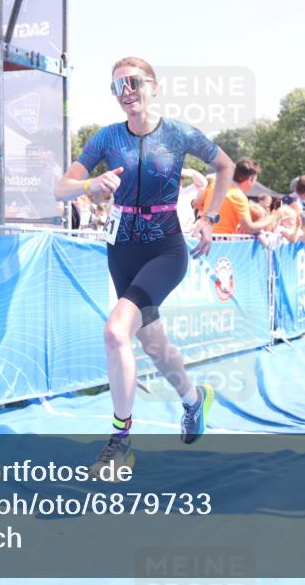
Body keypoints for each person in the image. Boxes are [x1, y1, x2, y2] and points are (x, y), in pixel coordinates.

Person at [53, 57, 235, 478]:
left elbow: (224, 166)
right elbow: (60, 189)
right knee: (153, 345)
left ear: (153, 86)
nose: (126, 91)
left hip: (165, 250)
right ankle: (194, 400)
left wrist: (210, 217)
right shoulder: (105, 138)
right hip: (122, 249)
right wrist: (89, 184)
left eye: (133, 83)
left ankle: (120, 441)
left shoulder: (178, 133)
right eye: (117, 86)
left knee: (116, 331)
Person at [199, 156, 275, 236]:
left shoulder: (215, 185)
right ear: (250, 180)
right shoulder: (239, 196)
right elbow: (249, 228)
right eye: (255, 180)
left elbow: (197, 203)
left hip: (204, 237)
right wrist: (275, 217)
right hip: (223, 243)